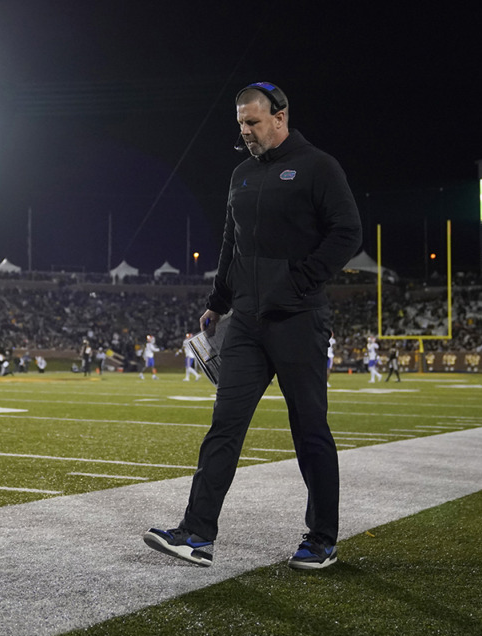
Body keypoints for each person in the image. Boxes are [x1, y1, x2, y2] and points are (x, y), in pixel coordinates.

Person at [143, 82, 362, 570]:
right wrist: (218, 301)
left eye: (253, 122)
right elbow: (231, 244)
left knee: (309, 429)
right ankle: (197, 534)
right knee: (225, 424)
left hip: (299, 319)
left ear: (280, 117)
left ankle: (322, 538)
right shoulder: (241, 174)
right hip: (245, 321)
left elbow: (348, 232)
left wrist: (299, 283)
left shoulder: (318, 167)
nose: (245, 131)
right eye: (240, 123)